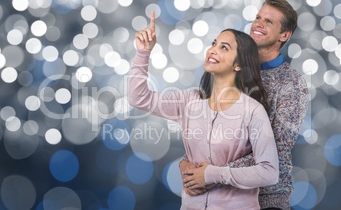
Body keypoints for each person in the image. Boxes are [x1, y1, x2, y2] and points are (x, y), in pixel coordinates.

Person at [129, 10, 279, 210]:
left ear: (239, 65)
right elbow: (138, 98)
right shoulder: (190, 101)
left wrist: (212, 174)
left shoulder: (253, 111)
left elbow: (269, 172)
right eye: (214, 44)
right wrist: (143, 52)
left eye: (224, 47)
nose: (213, 50)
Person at [179, 0, 309, 209]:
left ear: (284, 35)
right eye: (258, 17)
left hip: (267, 199)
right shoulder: (228, 70)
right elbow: (210, 131)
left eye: (268, 22)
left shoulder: (291, 84)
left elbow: (275, 147)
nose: (258, 24)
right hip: (217, 197)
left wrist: (210, 173)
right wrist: (187, 164)